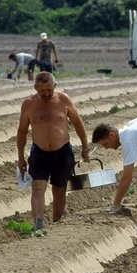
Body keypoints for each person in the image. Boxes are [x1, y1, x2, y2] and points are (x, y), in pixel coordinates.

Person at [16, 72, 90, 232]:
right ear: (35, 88)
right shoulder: (28, 105)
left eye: (49, 90)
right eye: (42, 91)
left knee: (60, 188)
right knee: (37, 187)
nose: (46, 94)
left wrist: (85, 147)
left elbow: (78, 123)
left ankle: (57, 222)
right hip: (39, 152)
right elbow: (22, 132)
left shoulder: (64, 100)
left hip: (62, 152)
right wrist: (20, 157)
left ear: (54, 86)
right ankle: (38, 222)